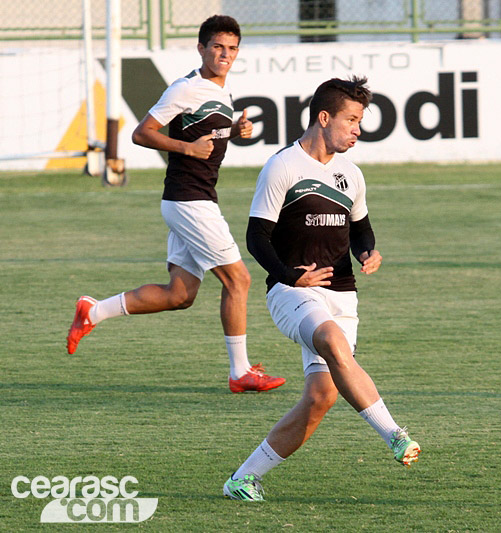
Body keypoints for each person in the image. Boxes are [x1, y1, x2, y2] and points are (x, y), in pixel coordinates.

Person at [222, 76, 420, 502]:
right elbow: (257, 237)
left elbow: (362, 231)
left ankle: (243, 478)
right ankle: (395, 434)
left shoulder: (352, 173)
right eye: (351, 120)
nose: (357, 129)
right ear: (323, 117)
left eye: (360, 121)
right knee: (332, 341)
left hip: (342, 295)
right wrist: (290, 276)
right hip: (291, 293)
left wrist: (369, 252)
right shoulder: (283, 166)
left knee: (320, 399)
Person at [66, 15, 285, 394]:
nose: (225, 54)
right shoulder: (187, 88)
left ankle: (93, 310)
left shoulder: (219, 90)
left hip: (192, 199)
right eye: (217, 47)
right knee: (239, 280)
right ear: (201, 48)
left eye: (232, 48)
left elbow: (205, 132)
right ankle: (240, 372)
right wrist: (185, 147)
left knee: (179, 295)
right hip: (190, 200)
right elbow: (141, 133)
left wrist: (233, 130)